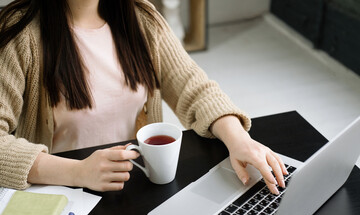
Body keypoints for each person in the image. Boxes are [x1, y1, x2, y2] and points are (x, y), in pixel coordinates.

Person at [0, 0, 287, 194]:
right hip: (59, 195)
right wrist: (77, 173)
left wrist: (240, 140)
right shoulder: (20, 31)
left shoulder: (141, 17)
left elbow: (195, 87)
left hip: (133, 188)